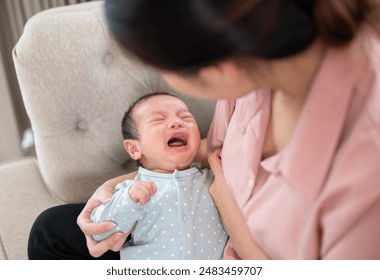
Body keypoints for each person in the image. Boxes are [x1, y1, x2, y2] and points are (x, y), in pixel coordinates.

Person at [29, 0, 380, 259]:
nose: (176, 116)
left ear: (220, 67)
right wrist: (115, 187)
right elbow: (202, 151)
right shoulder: (257, 65)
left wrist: (223, 198)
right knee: (51, 229)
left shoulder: (363, 182)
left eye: (165, 70)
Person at [90, 92, 227, 259]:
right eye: (158, 120)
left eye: (186, 117)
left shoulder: (213, 179)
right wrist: (128, 201)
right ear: (134, 149)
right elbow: (99, 232)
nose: (177, 122)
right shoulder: (130, 190)